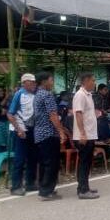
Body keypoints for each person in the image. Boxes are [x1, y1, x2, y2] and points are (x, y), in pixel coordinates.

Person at [34, 71, 70, 201]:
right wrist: (61, 131)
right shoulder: (47, 95)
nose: (52, 82)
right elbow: (53, 115)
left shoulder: (37, 94)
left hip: (39, 133)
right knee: (52, 163)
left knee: (44, 163)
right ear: (44, 82)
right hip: (49, 133)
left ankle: (44, 188)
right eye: (51, 80)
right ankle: (46, 191)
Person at [7, 74, 38, 196]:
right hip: (21, 130)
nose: (34, 84)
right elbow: (10, 114)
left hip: (32, 130)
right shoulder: (19, 94)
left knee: (32, 158)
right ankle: (15, 186)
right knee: (20, 159)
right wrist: (19, 129)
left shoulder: (35, 95)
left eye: (34, 82)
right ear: (25, 83)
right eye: (31, 82)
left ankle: (30, 183)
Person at [72, 72, 101, 200]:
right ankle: (82, 190)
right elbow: (78, 114)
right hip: (83, 136)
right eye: (93, 80)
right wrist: (82, 133)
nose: (94, 83)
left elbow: (86, 113)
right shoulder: (80, 95)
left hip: (90, 134)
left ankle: (85, 187)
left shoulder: (88, 95)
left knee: (87, 162)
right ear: (86, 81)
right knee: (84, 162)